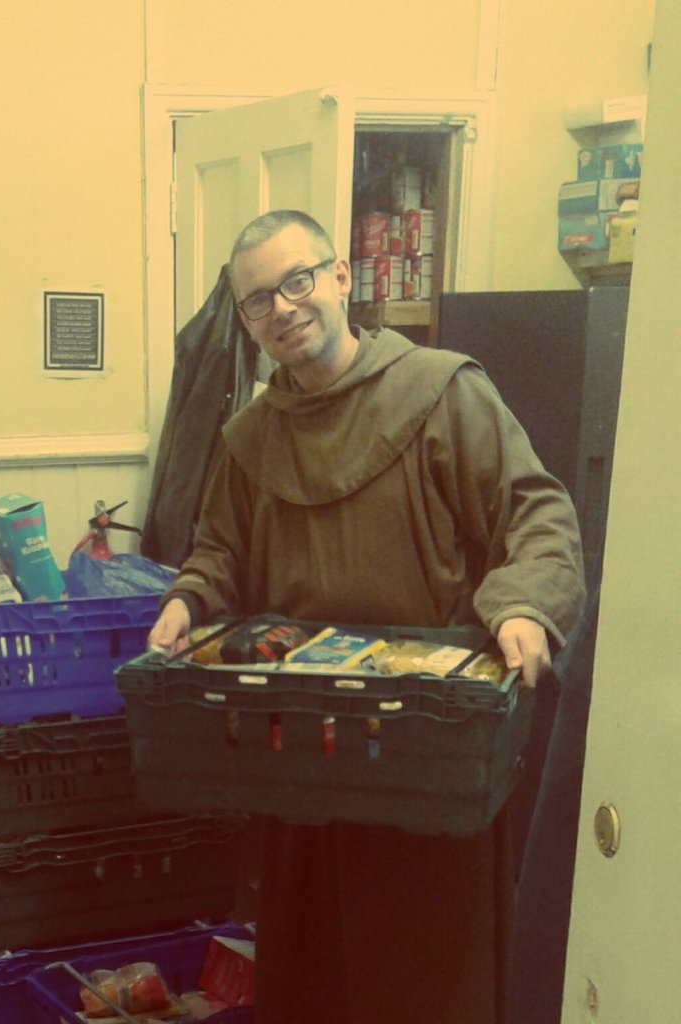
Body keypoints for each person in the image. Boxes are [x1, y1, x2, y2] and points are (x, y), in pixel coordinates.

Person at [147, 209, 586, 1023]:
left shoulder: (443, 393)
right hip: (304, 756)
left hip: (428, 752)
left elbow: (538, 516)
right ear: (245, 320)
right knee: (312, 977)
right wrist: (185, 599)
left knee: (424, 983)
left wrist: (525, 607)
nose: (282, 309)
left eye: (297, 281)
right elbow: (217, 552)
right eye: (257, 301)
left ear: (341, 277)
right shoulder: (248, 440)